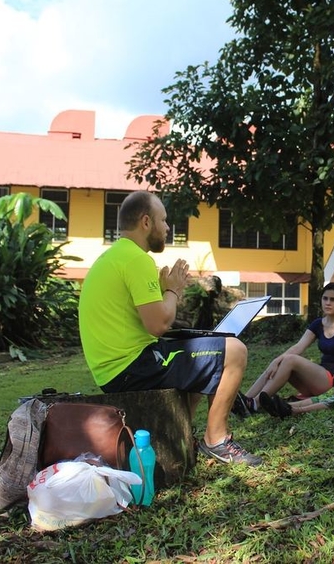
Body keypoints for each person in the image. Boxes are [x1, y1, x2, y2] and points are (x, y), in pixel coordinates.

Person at [78, 191, 261, 465]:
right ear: (146, 222)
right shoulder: (136, 260)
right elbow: (159, 324)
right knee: (234, 350)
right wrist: (173, 290)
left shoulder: (115, 256)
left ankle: (179, 439)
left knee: (202, 354)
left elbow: (148, 320)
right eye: (163, 220)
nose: (167, 228)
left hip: (117, 367)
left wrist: (165, 292)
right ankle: (217, 441)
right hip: (130, 367)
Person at [237, 282, 334, 415]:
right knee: (281, 361)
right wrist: (275, 361)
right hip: (320, 378)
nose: (328, 303)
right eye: (325, 298)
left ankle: (255, 403)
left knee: (290, 360)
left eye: (333, 300)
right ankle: (245, 400)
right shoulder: (318, 324)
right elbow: (298, 347)